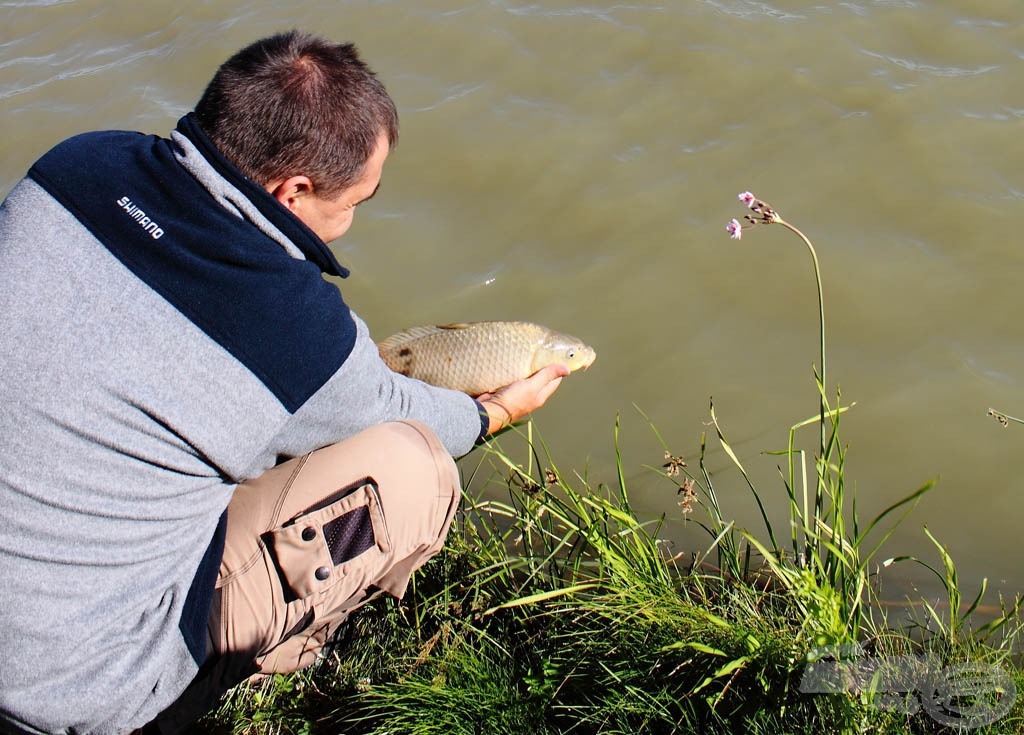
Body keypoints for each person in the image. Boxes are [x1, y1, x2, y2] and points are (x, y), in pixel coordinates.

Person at [0, 30, 569, 735]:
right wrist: (493, 416)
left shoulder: (77, 163)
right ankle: (287, 649)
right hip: (74, 692)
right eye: (356, 199)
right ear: (293, 190)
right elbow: (402, 410)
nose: (351, 221)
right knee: (415, 470)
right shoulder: (291, 322)